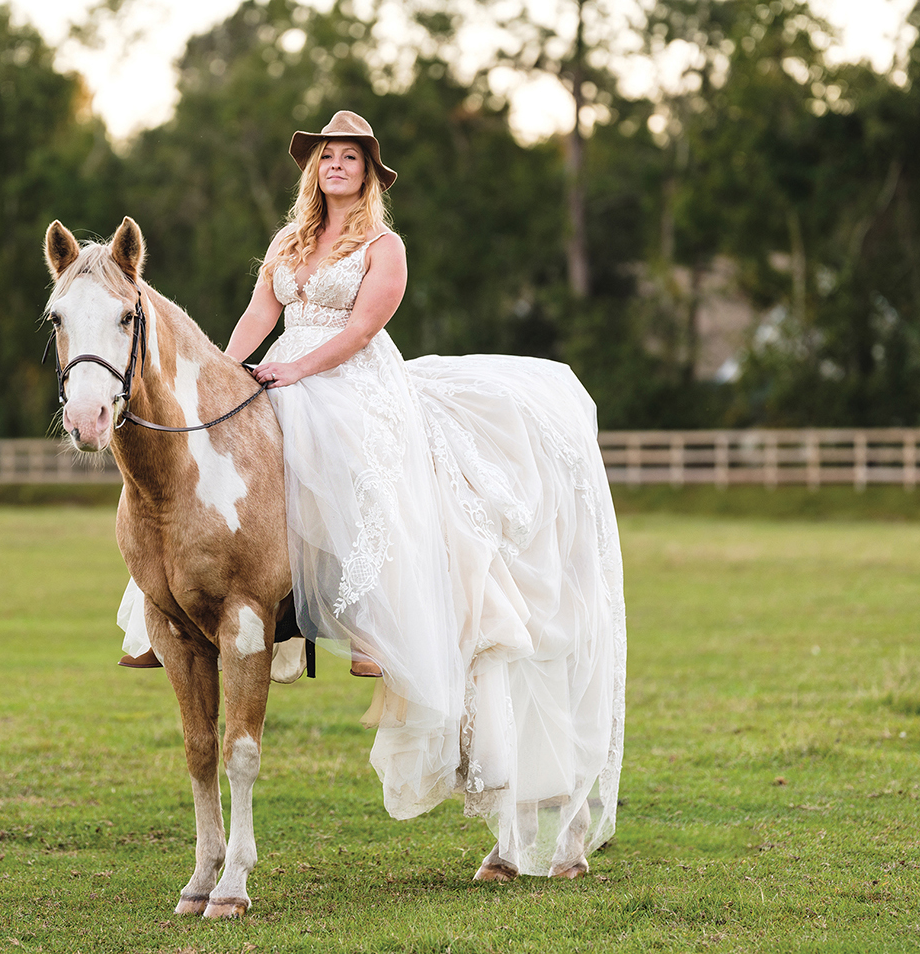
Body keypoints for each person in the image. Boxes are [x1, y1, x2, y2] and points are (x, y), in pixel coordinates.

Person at [117, 110, 625, 879]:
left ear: (371, 173)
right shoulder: (288, 245)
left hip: (350, 378)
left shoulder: (382, 247)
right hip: (284, 370)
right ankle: (165, 616)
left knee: (345, 455)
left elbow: (361, 329)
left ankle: (368, 623)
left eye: (351, 157)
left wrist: (299, 369)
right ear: (313, 166)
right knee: (211, 472)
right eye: (328, 155)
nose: (337, 165)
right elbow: (259, 316)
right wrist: (225, 370)